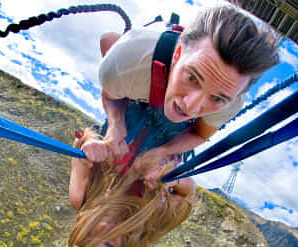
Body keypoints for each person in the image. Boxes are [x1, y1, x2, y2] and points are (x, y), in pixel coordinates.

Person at [84, 3, 279, 171]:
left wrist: (162, 151)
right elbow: (110, 95)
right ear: (177, 53)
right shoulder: (127, 61)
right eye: (193, 78)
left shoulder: (232, 101)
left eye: (217, 98)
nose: (191, 107)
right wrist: (116, 124)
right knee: (109, 42)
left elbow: (199, 133)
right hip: (138, 68)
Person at [67, 128, 195, 247]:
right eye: (108, 244)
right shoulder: (151, 223)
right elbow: (188, 192)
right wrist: (170, 179)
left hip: (133, 112)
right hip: (182, 132)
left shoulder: (81, 197)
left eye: (90, 234)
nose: (103, 228)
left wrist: (92, 146)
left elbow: (80, 141)